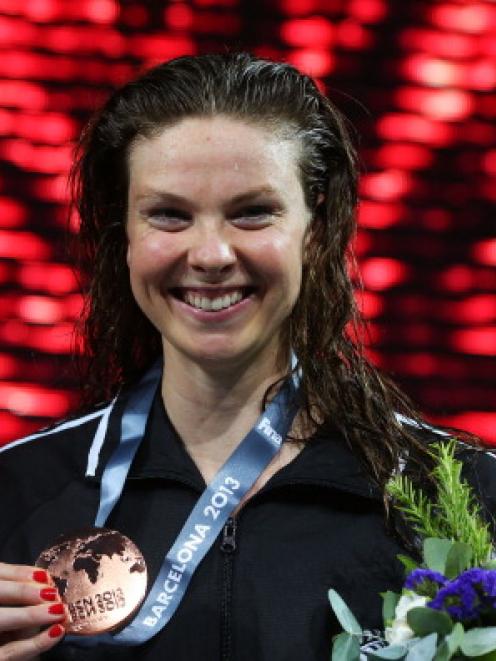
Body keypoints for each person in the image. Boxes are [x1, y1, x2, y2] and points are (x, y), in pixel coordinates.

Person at [0, 52, 494, 661]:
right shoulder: (17, 491)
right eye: (169, 215)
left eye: (253, 212)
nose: (210, 254)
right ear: (122, 237)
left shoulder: (465, 494)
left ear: (317, 231)